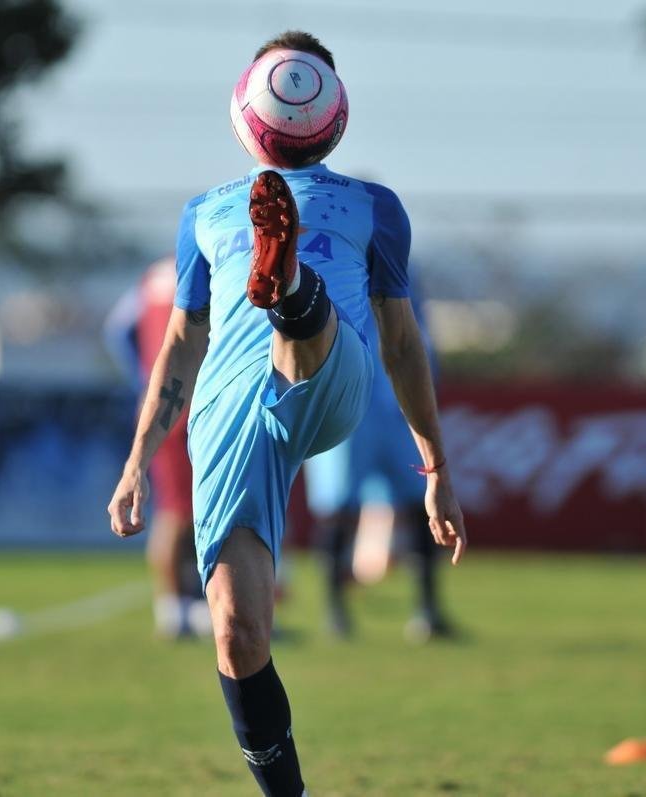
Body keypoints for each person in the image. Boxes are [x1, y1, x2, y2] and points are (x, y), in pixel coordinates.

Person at [108, 30, 465, 797]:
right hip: (230, 411)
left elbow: (403, 343)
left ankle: (292, 287)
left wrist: (435, 466)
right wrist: (137, 460)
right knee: (238, 633)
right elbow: (179, 346)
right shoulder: (204, 214)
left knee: (304, 335)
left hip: (334, 377)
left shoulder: (374, 207)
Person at [302, 291, 456, 642]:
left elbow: (416, 329)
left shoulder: (400, 262)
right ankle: (335, 612)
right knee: (339, 508)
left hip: (398, 406)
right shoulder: (333, 258)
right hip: (345, 400)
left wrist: (425, 385)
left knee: (421, 500)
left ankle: (429, 610)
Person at [103, 257, 209, 638]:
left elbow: (117, 331)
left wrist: (143, 378)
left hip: (163, 403)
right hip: (188, 404)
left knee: (188, 510)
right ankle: (173, 608)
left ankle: (188, 603)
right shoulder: (205, 265)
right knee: (179, 511)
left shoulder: (149, 279)